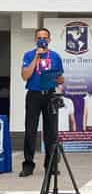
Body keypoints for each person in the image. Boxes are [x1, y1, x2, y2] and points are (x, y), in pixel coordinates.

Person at [20, 28, 64, 177]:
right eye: (39, 37)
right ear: (35, 39)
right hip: (34, 95)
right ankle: (28, 164)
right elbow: (25, 76)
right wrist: (36, 58)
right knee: (30, 130)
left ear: (49, 40)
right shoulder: (29, 55)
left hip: (50, 95)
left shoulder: (56, 56)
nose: (42, 40)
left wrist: (58, 78)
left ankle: (50, 165)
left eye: (45, 37)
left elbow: (61, 79)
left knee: (51, 132)